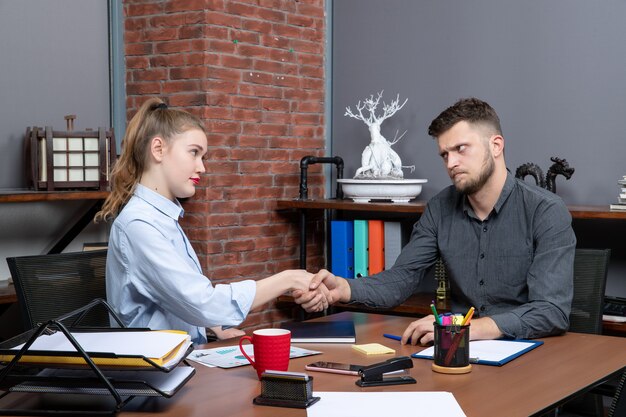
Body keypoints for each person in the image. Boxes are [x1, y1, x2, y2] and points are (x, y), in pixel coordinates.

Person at [295, 97, 576, 345]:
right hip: (456, 349)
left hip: (528, 351)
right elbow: (400, 280)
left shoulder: (545, 210)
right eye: (445, 154)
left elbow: (550, 311)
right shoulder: (440, 208)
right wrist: (343, 288)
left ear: (496, 145)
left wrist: (466, 328)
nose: (451, 162)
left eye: (461, 149)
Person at [96, 98, 327, 344]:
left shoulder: (161, 217)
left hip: (185, 360)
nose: (202, 167)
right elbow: (201, 302)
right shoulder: (139, 226)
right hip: (158, 374)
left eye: (203, 156)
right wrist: (288, 279)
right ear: (158, 149)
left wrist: (214, 326)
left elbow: (176, 295)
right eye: (194, 153)